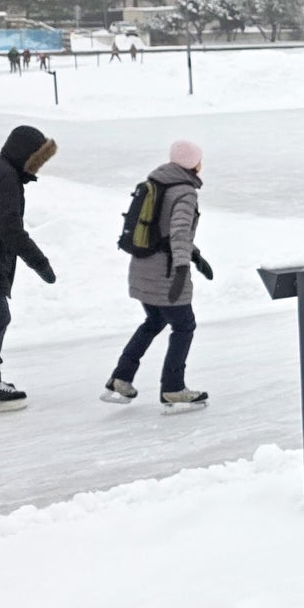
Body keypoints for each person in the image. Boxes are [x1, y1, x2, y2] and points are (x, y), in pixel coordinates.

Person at [103, 140, 211, 408]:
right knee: (184, 326)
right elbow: (178, 233)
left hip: (142, 269)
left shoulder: (157, 183)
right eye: (199, 159)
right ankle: (173, 388)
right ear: (192, 164)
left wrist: (196, 256)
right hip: (166, 274)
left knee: (153, 322)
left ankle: (121, 378)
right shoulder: (185, 192)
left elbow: (164, 231)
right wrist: (182, 269)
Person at [0, 125, 58, 411]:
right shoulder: (4, 178)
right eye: (38, 159)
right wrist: (39, 262)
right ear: (25, 154)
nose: (39, 166)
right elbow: (9, 230)